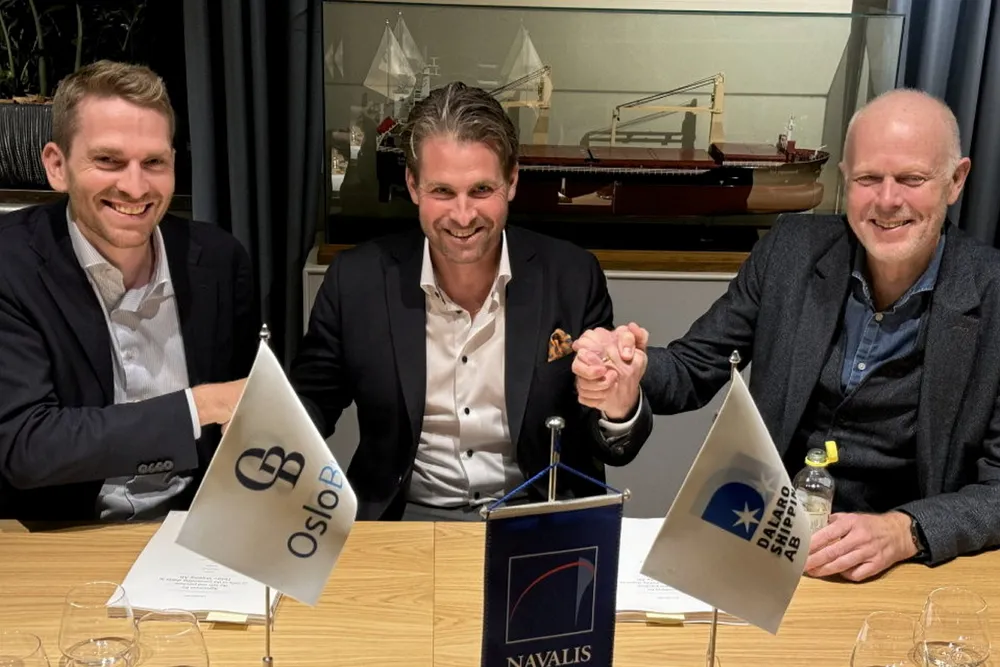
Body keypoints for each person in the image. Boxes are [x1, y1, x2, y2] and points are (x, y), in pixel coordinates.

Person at [572, 88, 1000, 581]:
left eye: (911, 179)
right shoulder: (790, 252)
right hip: (769, 543)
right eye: (868, 179)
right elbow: (693, 367)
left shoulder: (992, 294)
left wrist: (906, 530)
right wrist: (633, 368)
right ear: (845, 178)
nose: (887, 200)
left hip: (909, 569)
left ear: (956, 180)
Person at [290, 81, 652, 521]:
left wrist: (619, 406)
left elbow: (609, 444)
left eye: (481, 190)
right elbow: (308, 408)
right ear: (413, 185)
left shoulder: (572, 276)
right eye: (442, 191)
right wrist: (257, 415)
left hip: (535, 518)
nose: (463, 216)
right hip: (404, 519)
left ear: (512, 182)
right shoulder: (355, 281)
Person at [0, 60, 257, 521]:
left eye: (153, 162)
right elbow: (27, 445)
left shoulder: (220, 260)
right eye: (108, 161)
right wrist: (201, 405)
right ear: (57, 166)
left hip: (196, 524)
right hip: (59, 531)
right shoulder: (10, 265)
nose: (135, 188)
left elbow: (244, 426)